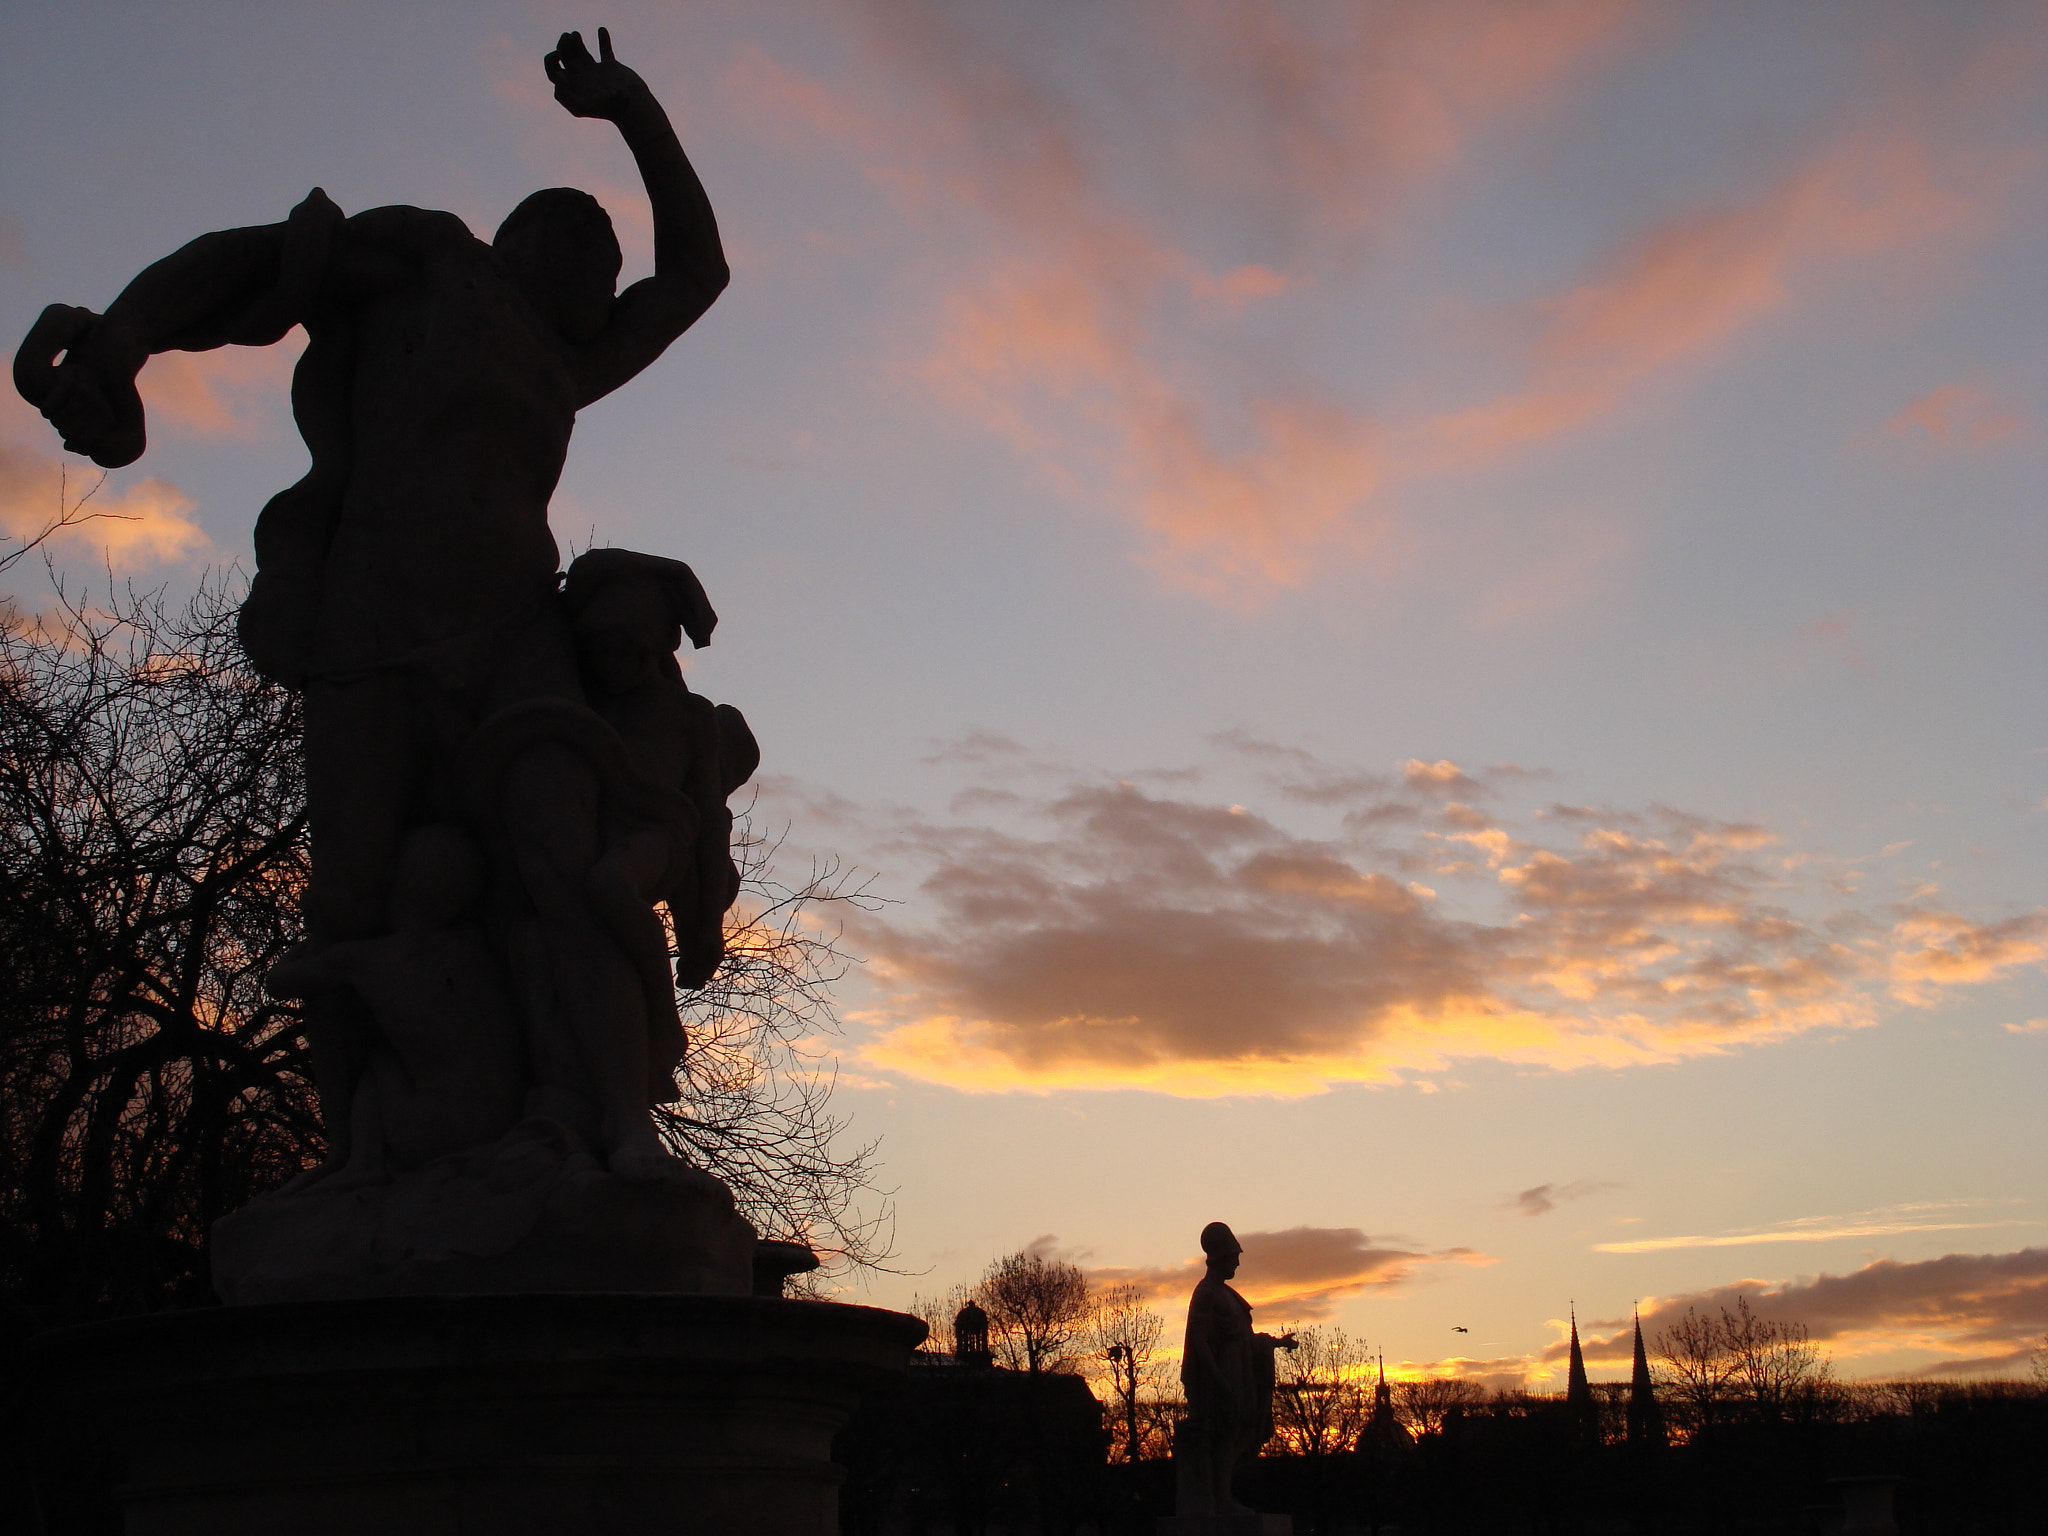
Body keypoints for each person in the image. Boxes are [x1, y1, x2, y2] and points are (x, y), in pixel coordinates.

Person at [13, 29, 734, 1181]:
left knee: (559, 856)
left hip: (513, 639)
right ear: (532, 245)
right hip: (373, 630)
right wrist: (126, 338)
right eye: (595, 260)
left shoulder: (567, 362)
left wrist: (635, 109)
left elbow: (696, 276)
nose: (611, 286)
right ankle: (358, 1167)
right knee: (355, 904)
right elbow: (251, 264)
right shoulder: (435, 265)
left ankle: (596, 1118)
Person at [1177, 1221, 1297, 1518]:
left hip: (1239, 1370)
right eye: (1234, 1256)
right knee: (1225, 1435)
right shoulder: (1206, 1293)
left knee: (1239, 1433)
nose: (1238, 1262)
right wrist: (1219, 1380)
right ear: (1221, 1257)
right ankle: (1221, 1499)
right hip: (1225, 1375)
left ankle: (1224, 1496)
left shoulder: (1224, 1293)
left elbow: (1244, 1338)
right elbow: (1199, 1341)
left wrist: (1276, 1344)